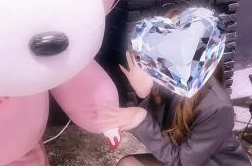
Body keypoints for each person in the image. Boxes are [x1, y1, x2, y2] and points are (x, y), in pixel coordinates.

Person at [99, 9, 251, 166]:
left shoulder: (217, 107)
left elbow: (181, 162)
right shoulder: (166, 81)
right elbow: (160, 135)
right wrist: (144, 94)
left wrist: (141, 120)